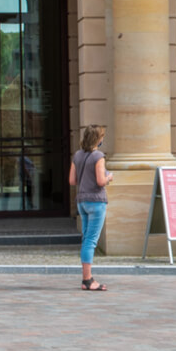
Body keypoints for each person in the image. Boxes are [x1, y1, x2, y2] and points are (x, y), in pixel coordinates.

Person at [69, 124, 113, 291]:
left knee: (86, 239)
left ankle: (86, 278)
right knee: (91, 241)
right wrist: (109, 177)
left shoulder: (78, 155)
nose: (103, 139)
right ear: (98, 139)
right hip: (96, 201)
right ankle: (87, 280)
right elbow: (101, 181)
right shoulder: (98, 156)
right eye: (102, 137)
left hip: (81, 201)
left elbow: (72, 181)